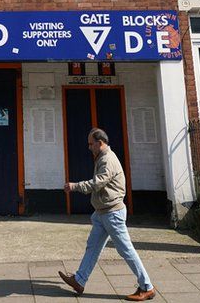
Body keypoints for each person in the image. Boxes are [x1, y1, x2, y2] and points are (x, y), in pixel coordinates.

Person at [58, 128, 155, 301]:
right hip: (103, 213)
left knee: (126, 250)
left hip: (112, 213)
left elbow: (98, 183)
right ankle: (79, 280)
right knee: (92, 247)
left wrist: (75, 186)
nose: (89, 147)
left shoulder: (108, 160)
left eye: (90, 143)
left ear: (99, 142)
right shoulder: (102, 158)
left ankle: (147, 287)